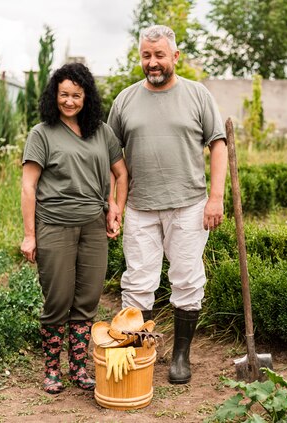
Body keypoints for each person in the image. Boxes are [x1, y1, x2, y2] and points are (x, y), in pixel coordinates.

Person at [107, 24, 227, 384]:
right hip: (140, 207)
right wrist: (112, 204)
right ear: (140, 57)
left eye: (160, 55)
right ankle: (140, 352)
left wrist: (216, 197)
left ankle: (180, 357)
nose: (153, 62)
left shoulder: (198, 95)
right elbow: (112, 158)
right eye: (147, 55)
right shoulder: (125, 100)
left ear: (175, 56)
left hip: (189, 205)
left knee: (187, 280)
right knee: (138, 281)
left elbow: (217, 144)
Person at [20, 62, 128, 394]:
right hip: (54, 226)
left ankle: (79, 368)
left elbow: (121, 174)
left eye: (76, 95)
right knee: (58, 299)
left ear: (86, 97)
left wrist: (115, 208)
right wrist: (29, 234)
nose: (69, 101)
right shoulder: (42, 133)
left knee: (87, 300)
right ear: (55, 95)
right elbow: (28, 186)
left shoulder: (101, 131)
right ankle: (52, 369)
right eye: (64, 94)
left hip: (94, 227)